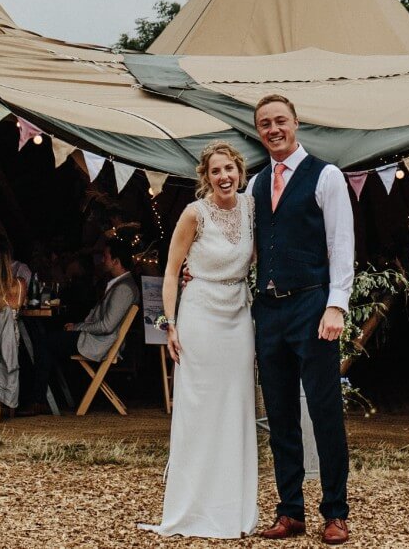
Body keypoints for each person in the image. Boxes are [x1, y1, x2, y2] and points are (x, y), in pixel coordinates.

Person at [247, 94, 353, 544]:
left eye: (280, 121)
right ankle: (291, 511)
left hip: (312, 305)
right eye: (265, 124)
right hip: (269, 310)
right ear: (259, 131)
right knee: (280, 413)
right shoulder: (254, 183)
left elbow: (341, 242)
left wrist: (337, 304)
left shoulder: (325, 176)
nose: (273, 129)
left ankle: (335, 511)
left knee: (326, 410)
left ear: (296, 124)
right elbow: (250, 247)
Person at [145, 142, 259, 538]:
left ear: (239, 172)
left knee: (237, 406)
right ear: (206, 177)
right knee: (198, 409)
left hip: (238, 315)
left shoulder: (252, 208)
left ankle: (234, 507)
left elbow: (262, 258)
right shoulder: (193, 214)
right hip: (199, 315)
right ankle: (191, 507)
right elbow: (172, 272)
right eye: (216, 171)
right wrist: (170, 324)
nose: (224, 176)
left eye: (229, 169)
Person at [23, 237, 141, 416]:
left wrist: (78, 327)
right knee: (51, 339)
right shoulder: (120, 284)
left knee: (45, 342)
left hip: (99, 343)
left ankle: (38, 400)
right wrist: (77, 326)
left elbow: (107, 326)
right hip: (96, 338)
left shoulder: (124, 288)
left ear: (116, 261)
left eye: (106, 256)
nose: (102, 260)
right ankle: (47, 397)